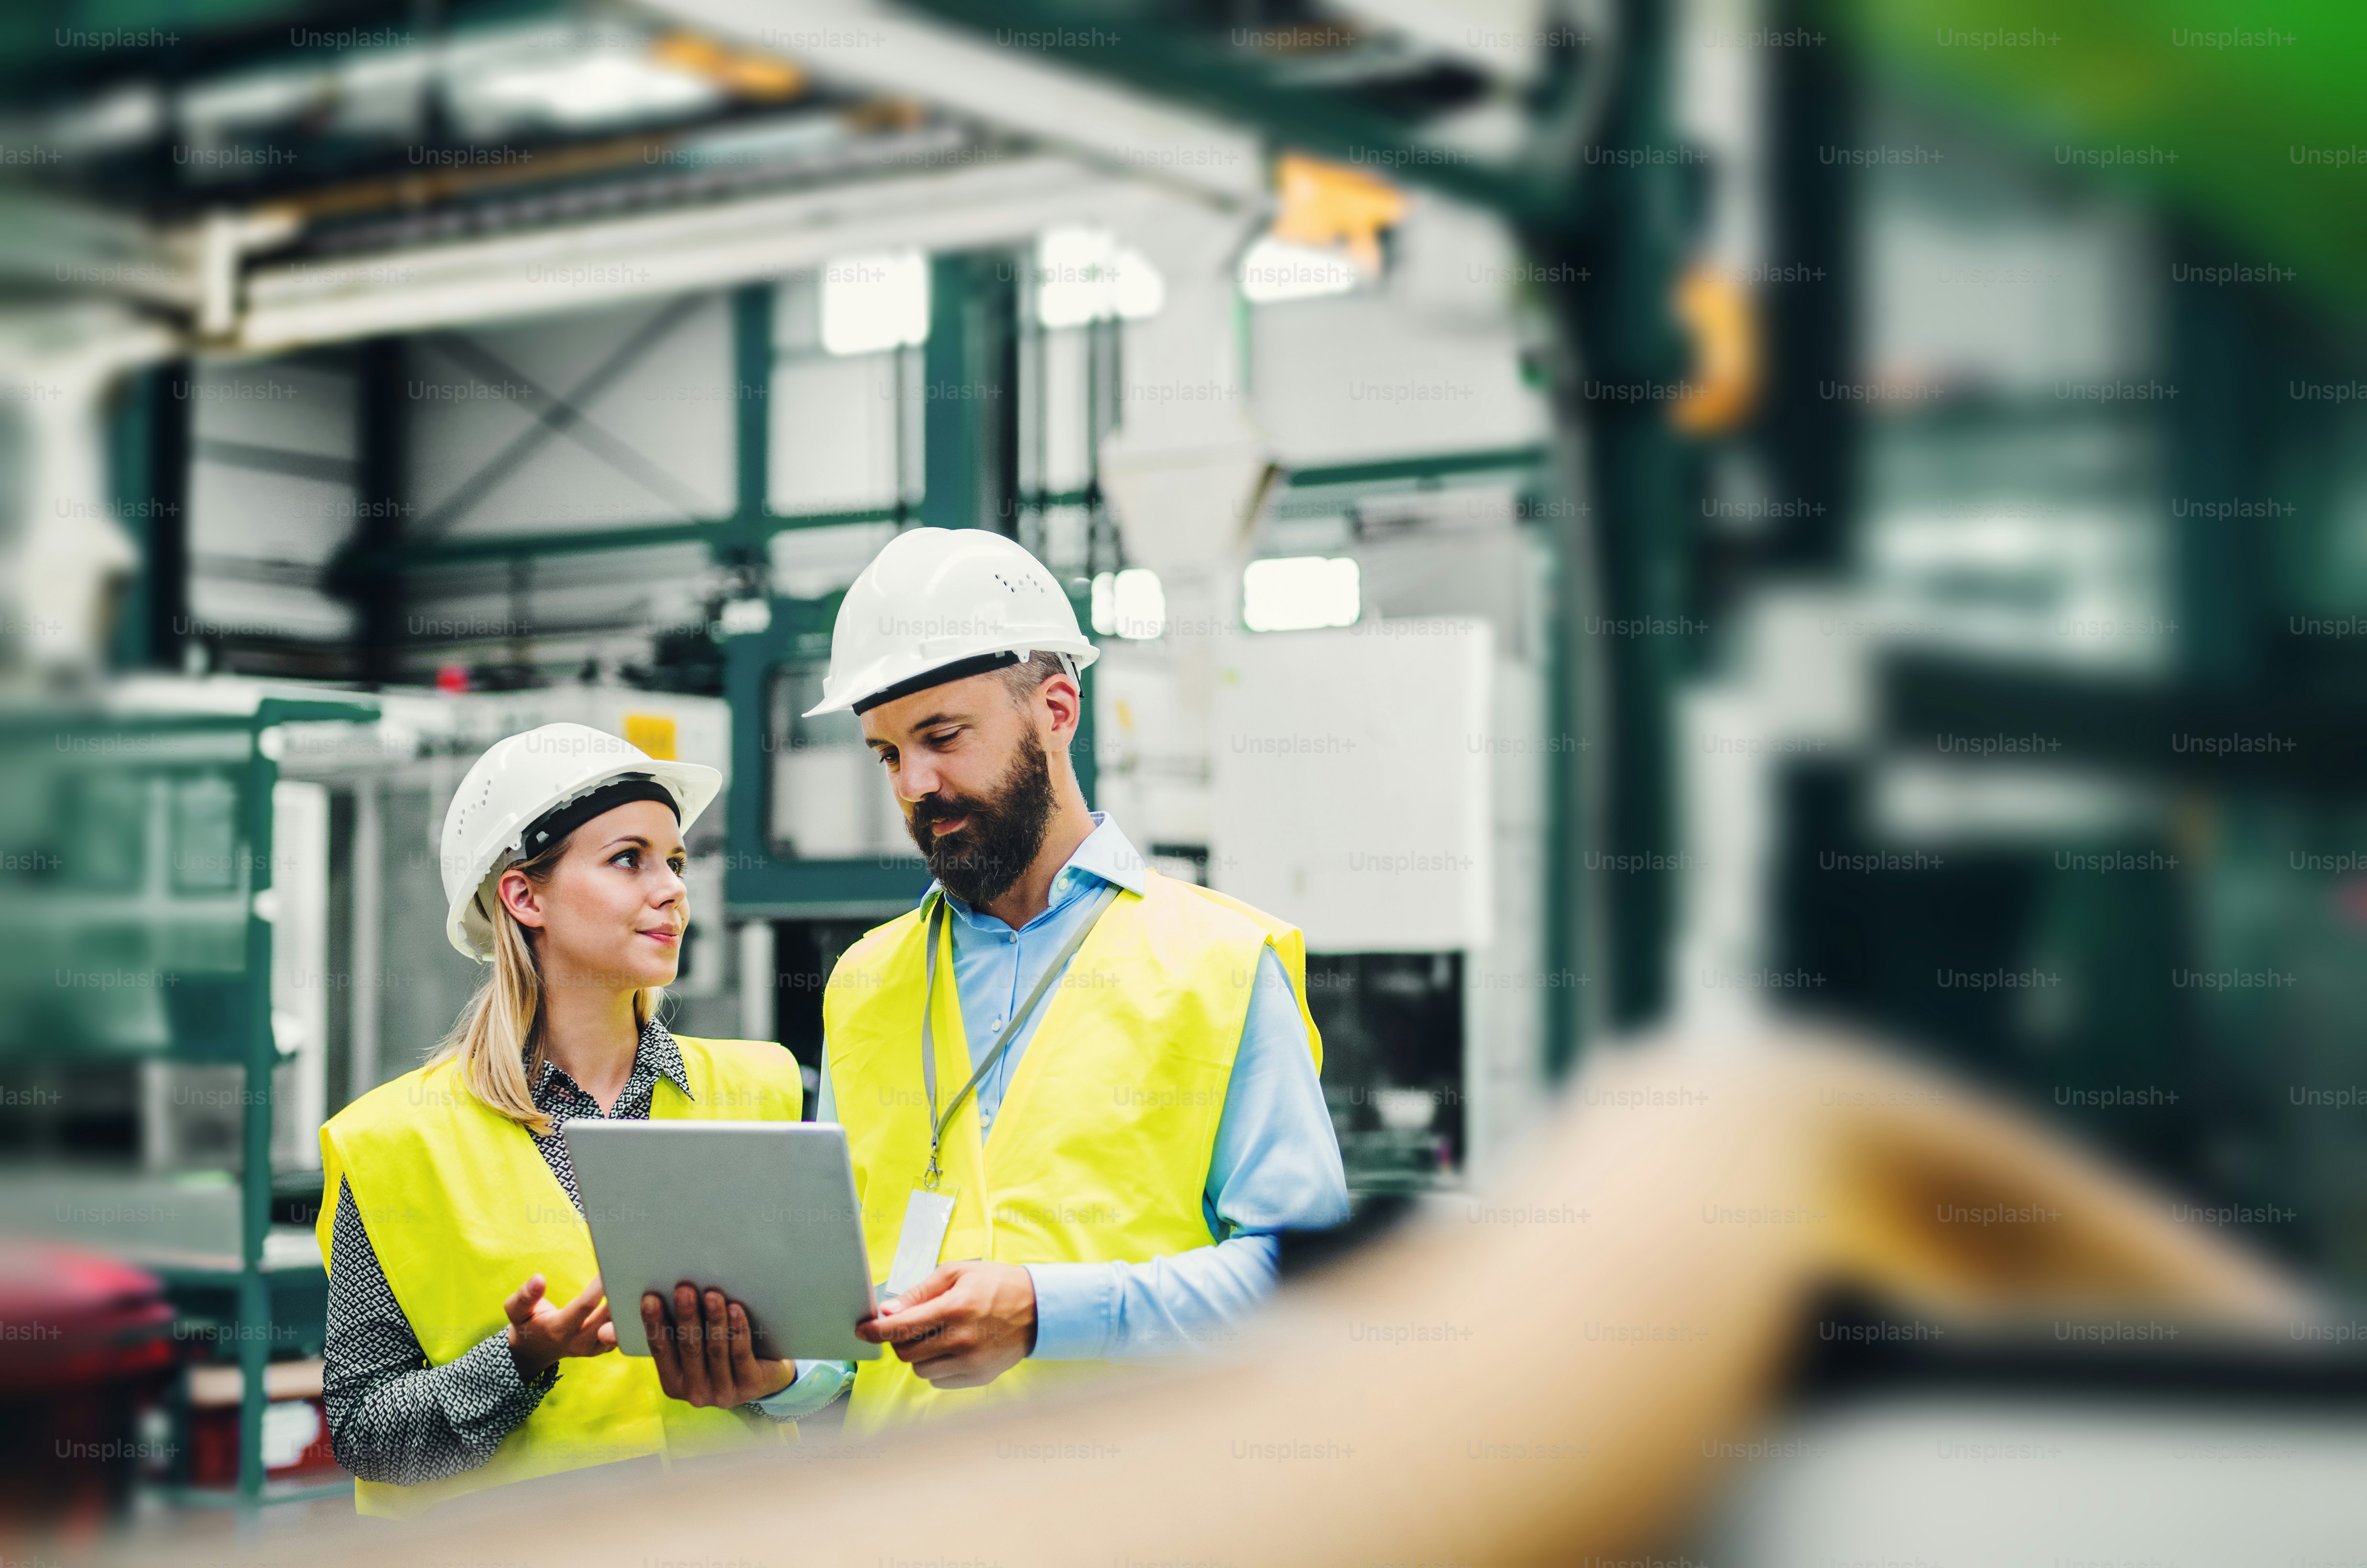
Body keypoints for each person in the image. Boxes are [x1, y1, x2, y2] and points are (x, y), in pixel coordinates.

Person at [804, 527, 1352, 1430]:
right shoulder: (864, 981)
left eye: (942, 737)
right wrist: (768, 1370)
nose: (915, 784)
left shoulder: (1215, 961)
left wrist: (1044, 1313)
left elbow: (1305, 1274)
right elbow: (840, 1324)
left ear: (1057, 710)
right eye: (889, 754)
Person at [315, 723, 844, 1516]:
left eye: (675, 861)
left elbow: (841, 1364)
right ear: (525, 897)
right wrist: (519, 1360)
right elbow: (366, 1434)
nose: (671, 889)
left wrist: (778, 1381)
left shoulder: (760, 1088)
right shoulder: (393, 1142)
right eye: (629, 859)